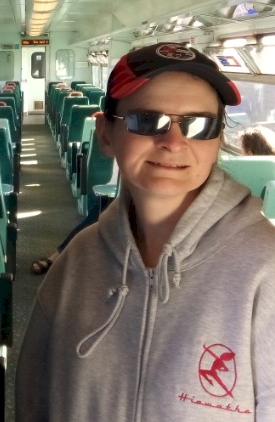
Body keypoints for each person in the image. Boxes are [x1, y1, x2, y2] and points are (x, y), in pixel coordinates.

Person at [16, 42, 275, 421]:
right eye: (147, 121)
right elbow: (34, 401)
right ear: (106, 133)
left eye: (200, 125)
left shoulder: (265, 270)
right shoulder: (77, 263)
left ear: (219, 139)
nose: (174, 143)